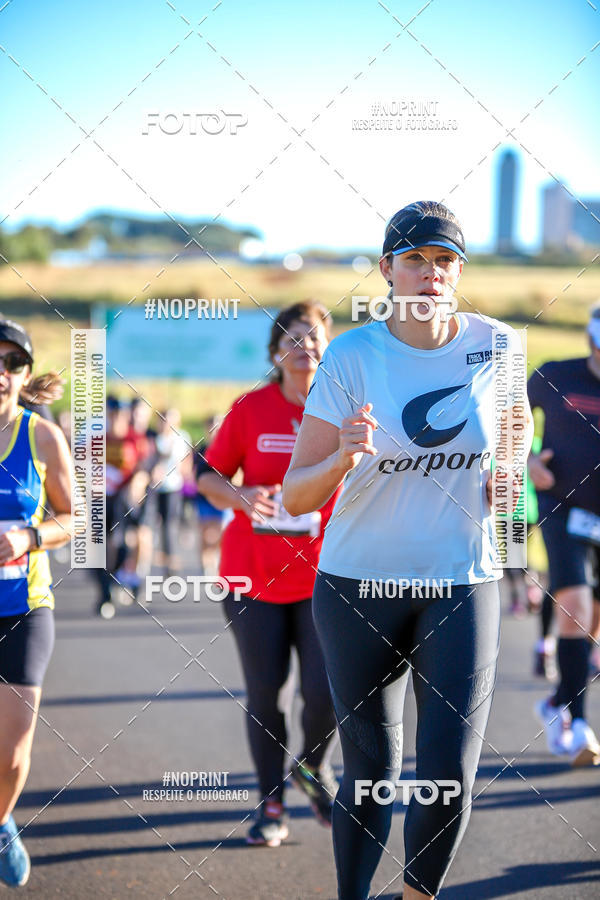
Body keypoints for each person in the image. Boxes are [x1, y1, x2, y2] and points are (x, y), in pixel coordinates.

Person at [283, 201, 533, 900]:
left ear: (459, 272)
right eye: (416, 260)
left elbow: (516, 423)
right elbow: (297, 496)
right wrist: (340, 461)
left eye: (446, 261)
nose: (432, 274)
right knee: (372, 772)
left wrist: (508, 472)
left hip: (460, 580)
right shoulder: (353, 355)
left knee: (449, 774)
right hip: (358, 584)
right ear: (388, 268)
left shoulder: (498, 344)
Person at [197, 301, 339, 848]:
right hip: (251, 577)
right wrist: (240, 494)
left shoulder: (343, 410)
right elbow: (205, 476)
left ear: (330, 351)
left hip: (325, 576)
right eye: (293, 337)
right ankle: (270, 804)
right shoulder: (250, 408)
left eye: (315, 338)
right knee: (265, 693)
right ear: (275, 351)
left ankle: (310, 766)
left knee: (325, 693)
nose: (304, 346)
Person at [0, 319, 72, 886]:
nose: (0, 372)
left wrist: (28, 537)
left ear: (23, 375)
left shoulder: (41, 434)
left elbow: (78, 521)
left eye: (12, 363)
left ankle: (0, 821)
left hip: (24, 606)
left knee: (12, 755)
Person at [528, 306, 600, 765]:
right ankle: (576, 723)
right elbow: (504, 420)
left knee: (593, 621)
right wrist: (528, 460)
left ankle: (556, 701)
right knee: (574, 603)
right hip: (562, 509)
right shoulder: (555, 376)